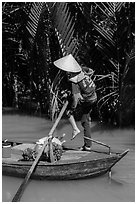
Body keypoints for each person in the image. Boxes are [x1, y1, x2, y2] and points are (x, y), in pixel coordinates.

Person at [54, 54, 97, 151]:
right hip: (94, 97)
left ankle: (75, 128)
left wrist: (72, 108)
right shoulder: (82, 69)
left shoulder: (74, 81)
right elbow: (91, 71)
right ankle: (87, 146)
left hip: (87, 100)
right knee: (85, 121)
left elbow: (76, 98)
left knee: (68, 112)